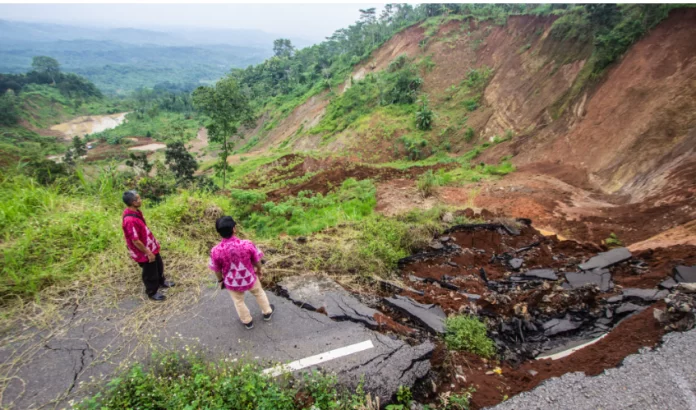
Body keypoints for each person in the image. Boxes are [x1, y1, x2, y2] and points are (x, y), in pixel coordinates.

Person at [209, 216, 274, 329]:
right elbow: (256, 260)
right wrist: (259, 270)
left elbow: (217, 269)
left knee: (238, 301)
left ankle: (247, 321)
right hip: (250, 277)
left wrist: (220, 280)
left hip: (232, 282)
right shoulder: (247, 244)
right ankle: (267, 312)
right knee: (259, 293)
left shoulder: (215, 251)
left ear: (218, 232)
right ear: (234, 229)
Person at [121, 190, 174, 301]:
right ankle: (152, 292)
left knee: (158, 264)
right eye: (138, 199)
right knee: (150, 271)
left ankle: (161, 281)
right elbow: (135, 240)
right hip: (143, 250)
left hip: (149, 244)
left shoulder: (136, 212)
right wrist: (147, 252)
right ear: (133, 202)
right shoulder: (129, 220)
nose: (141, 200)